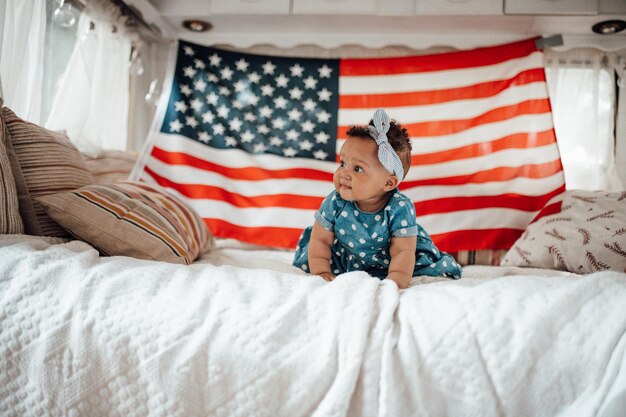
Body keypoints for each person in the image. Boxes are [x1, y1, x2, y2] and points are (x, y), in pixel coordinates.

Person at [293, 108, 462, 289]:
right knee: (315, 252)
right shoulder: (335, 202)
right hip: (346, 256)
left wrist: (395, 281)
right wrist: (321, 272)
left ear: (389, 183)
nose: (344, 173)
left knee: (419, 263)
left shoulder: (399, 208)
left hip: (392, 261)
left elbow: (402, 251)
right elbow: (320, 240)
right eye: (343, 163)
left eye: (357, 169)